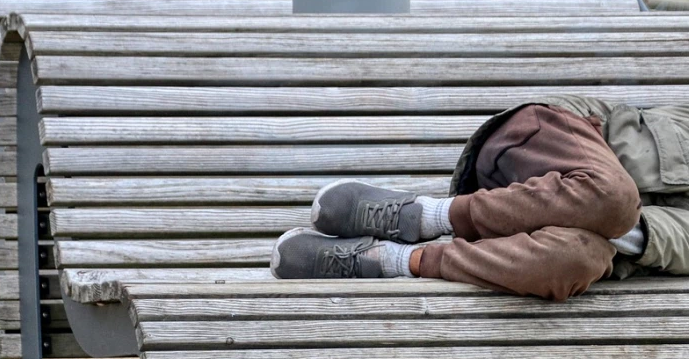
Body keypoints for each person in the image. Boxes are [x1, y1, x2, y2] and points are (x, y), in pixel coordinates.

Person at [270, 96, 689, 301]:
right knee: (613, 198)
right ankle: (426, 216)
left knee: (577, 262)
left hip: (561, 230)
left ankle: (390, 260)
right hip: (543, 144)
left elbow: (656, 238)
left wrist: (587, 221)